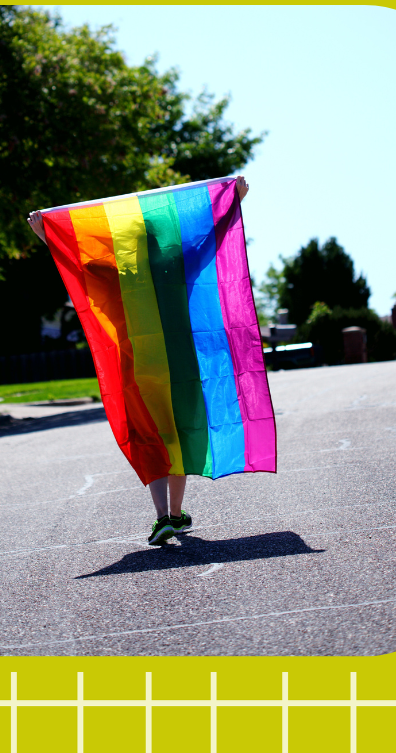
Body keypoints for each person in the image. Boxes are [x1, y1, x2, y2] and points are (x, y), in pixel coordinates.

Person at [27, 176, 250, 545]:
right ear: (163, 240)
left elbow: (77, 265)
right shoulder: (178, 263)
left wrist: (45, 234)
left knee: (150, 437)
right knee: (178, 435)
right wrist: (233, 201)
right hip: (179, 368)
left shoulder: (119, 274)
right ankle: (175, 514)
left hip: (137, 371)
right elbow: (209, 240)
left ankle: (162, 516)